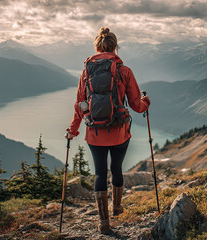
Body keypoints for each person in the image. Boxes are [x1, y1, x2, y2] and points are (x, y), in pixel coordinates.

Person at [65, 27, 150, 234]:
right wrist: (146, 102)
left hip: (95, 133)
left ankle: (103, 222)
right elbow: (137, 105)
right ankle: (118, 207)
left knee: (100, 173)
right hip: (119, 131)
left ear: (97, 47)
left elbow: (80, 104)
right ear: (115, 47)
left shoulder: (86, 72)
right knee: (117, 169)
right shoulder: (124, 71)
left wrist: (72, 130)